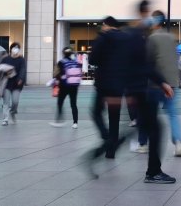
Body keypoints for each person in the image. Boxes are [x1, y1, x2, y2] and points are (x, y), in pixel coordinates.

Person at [140, 11, 181, 157]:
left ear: (155, 21)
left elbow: (148, 62)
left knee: (150, 114)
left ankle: (144, 143)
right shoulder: (172, 38)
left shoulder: (152, 38)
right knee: (172, 114)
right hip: (172, 83)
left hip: (156, 83)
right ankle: (178, 143)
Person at [90, 16, 130, 160]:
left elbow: (92, 59)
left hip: (103, 84)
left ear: (106, 25)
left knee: (95, 112)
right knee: (115, 117)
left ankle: (107, 138)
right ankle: (111, 151)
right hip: (119, 85)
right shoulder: (126, 39)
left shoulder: (103, 37)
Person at [50, 47, 81, 128]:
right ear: (71, 53)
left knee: (60, 102)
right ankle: (75, 123)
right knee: (73, 104)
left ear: (63, 53)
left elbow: (56, 74)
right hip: (74, 86)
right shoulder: (76, 62)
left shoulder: (61, 62)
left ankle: (59, 121)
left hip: (64, 86)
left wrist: (56, 80)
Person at [0, 42, 26, 126]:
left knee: (15, 101)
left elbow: (23, 70)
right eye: (14, 48)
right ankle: (5, 119)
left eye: (17, 48)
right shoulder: (5, 59)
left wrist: (21, 79)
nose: (16, 50)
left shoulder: (21, 60)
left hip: (17, 84)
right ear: (11, 49)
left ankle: (13, 112)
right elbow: (0, 69)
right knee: (6, 102)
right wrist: (5, 73)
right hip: (7, 83)